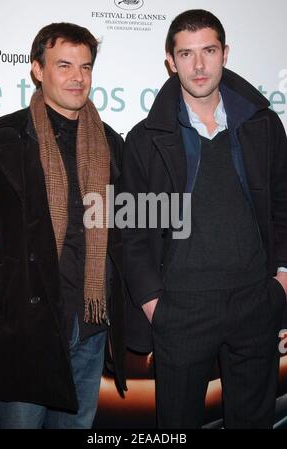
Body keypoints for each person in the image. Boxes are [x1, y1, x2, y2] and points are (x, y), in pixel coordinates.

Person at [123, 9, 287, 428]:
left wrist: (282, 282)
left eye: (209, 51)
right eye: (186, 53)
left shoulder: (263, 126)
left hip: (256, 300)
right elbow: (131, 232)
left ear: (225, 53)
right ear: (170, 60)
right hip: (180, 308)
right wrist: (155, 305)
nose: (198, 65)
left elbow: (283, 206)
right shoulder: (146, 139)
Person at [0, 22, 126, 429]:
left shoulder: (110, 143)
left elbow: (124, 228)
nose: (77, 77)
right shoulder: (2, 140)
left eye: (85, 67)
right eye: (64, 65)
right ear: (37, 69)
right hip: (27, 326)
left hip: (90, 325)